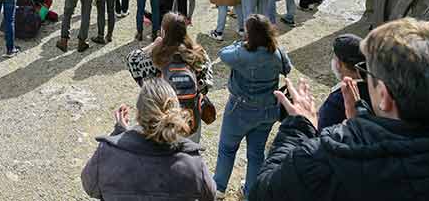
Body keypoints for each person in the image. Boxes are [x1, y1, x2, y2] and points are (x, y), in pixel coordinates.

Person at [254, 18, 429, 201]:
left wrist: (300, 125)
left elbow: (262, 192)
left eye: (367, 73)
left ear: (383, 96)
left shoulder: (324, 161)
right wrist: (365, 126)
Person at [81, 77, 217, 201]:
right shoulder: (192, 163)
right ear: (175, 114)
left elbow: (90, 188)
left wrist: (120, 134)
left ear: (139, 114)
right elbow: (210, 195)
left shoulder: (107, 154)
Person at [214, 14, 290, 200]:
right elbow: (287, 68)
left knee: (227, 149)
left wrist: (240, 43)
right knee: (256, 154)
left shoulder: (242, 53)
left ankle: (218, 189)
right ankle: (250, 193)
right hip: (267, 111)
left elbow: (223, 54)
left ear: (250, 34)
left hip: (239, 109)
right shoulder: (276, 52)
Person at [126, 12, 214, 143]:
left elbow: (131, 60)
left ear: (163, 31)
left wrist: (153, 45)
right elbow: (207, 85)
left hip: (160, 124)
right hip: (189, 121)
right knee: (189, 158)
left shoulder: (154, 58)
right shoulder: (199, 56)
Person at [317, 33, 373, 132]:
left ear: (339, 64)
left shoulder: (337, 101)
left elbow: (322, 134)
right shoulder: (376, 87)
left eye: (334, 57)